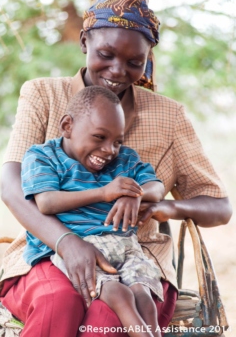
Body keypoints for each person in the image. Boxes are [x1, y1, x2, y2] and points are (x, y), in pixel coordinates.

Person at [0, 0, 232, 337]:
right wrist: (67, 242)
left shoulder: (168, 117)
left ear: (146, 60)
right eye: (106, 54)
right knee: (55, 300)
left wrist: (163, 209)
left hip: (135, 260)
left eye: (134, 62)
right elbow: (13, 188)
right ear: (83, 42)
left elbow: (219, 206)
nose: (118, 70)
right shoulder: (42, 95)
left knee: (108, 319)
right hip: (47, 250)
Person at [21, 85, 165, 337]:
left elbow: (156, 187)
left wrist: (134, 194)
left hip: (125, 244)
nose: (110, 150)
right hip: (82, 248)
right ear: (67, 126)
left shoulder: (126, 160)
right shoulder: (43, 156)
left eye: (117, 141)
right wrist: (104, 192)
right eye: (99, 137)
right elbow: (45, 202)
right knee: (118, 294)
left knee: (143, 296)